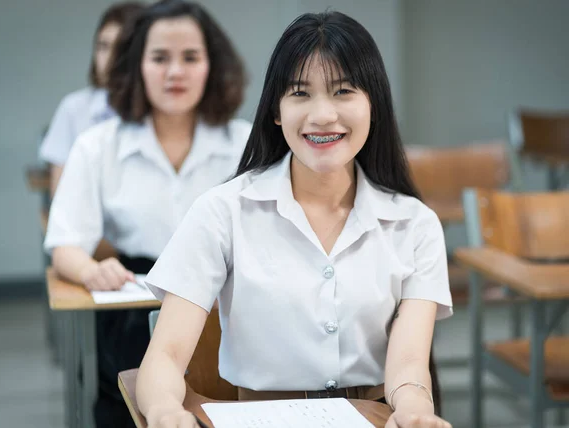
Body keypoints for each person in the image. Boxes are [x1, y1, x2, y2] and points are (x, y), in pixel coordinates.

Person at [139, 10, 454, 428]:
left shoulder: (416, 224)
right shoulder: (223, 211)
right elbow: (164, 357)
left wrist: (414, 411)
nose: (322, 115)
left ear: (373, 105)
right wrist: (164, 412)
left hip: (373, 418)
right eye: (300, 93)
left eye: (343, 91)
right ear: (275, 110)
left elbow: (410, 363)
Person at [43, 1, 249, 426]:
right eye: (160, 58)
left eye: (190, 57)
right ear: (136, 65)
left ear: (213, 65)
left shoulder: (245, 142)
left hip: (229, 299)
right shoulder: (97, 145)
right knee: (129, 385)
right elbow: (65, 243)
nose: (175, 72)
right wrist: (90, 271)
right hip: (136, 296)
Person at [39, 2, 144, 195]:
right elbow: (61, 195)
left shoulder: (161, 111)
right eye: (103, 46)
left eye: (121, 49)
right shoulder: (74, 108)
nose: (110, 58)